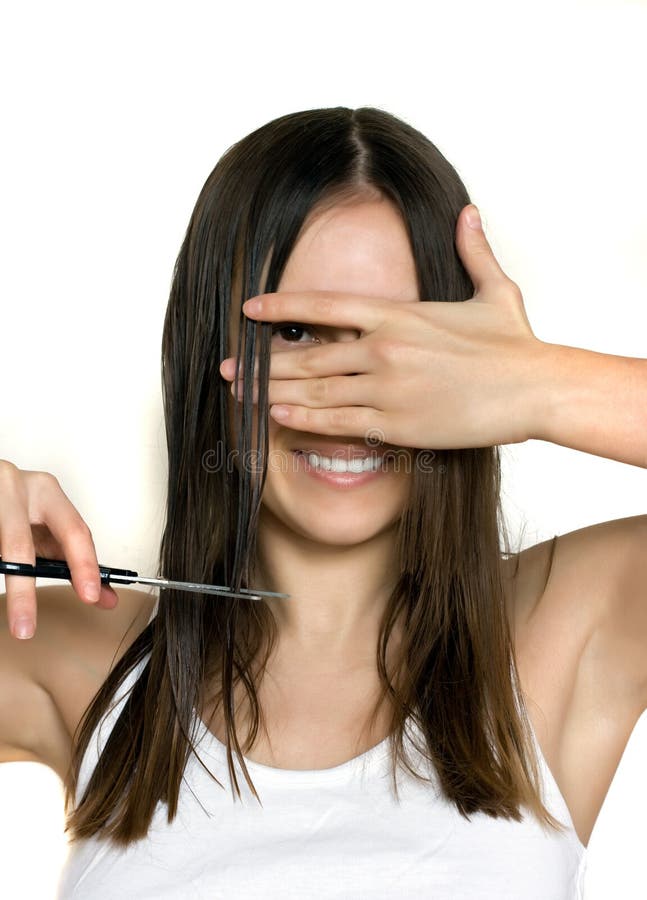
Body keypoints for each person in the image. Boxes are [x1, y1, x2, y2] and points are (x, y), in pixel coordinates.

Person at [0, 106, 645, 899]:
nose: (349, 394)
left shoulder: (573, 620)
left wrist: (542, 386)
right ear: (212, 353)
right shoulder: (74, 654)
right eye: (299, 332)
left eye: (397, 342)